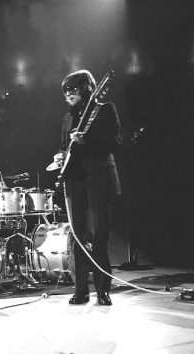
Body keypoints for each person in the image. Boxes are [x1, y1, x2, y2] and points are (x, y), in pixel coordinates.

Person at [52, 69, 121, 306]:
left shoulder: (104, 109)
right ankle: (81, 290)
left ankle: (103, 289)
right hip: (74, 180)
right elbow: (63, 146)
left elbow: (114, 142)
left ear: (86, 88)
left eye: (72, 89)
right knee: (77, 236)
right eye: (65, 92)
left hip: (98, 179)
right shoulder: (67, 118)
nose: (68, 95)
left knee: (99, 234)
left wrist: (87, 141)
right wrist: (60, 157)